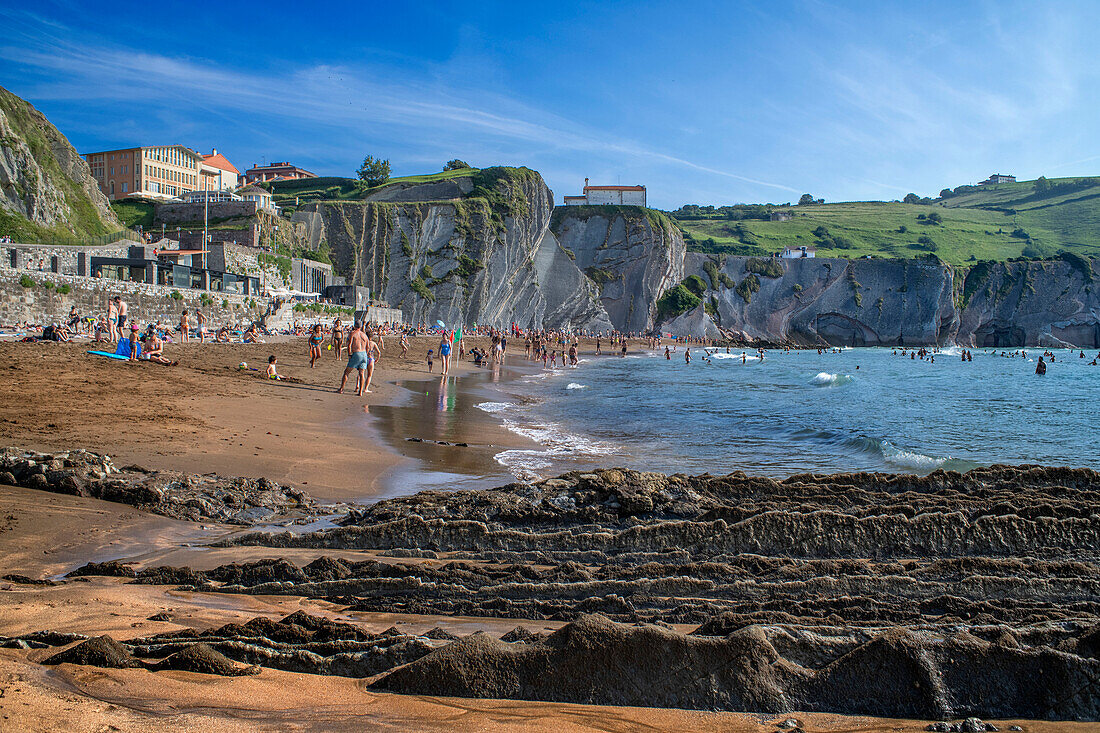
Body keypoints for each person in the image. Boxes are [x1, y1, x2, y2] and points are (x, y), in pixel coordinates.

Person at [338, 323, 371, 396]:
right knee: (361, 373)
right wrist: (366, 354)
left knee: (347, 372)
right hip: (364, 354)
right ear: (361, 326)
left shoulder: (353, 333)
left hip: (357, 353)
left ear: (354, 326)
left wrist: (349, 354)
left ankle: (341, 389)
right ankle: (360, 392)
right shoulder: (364, 335)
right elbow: (368, 347)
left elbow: (349, 345)